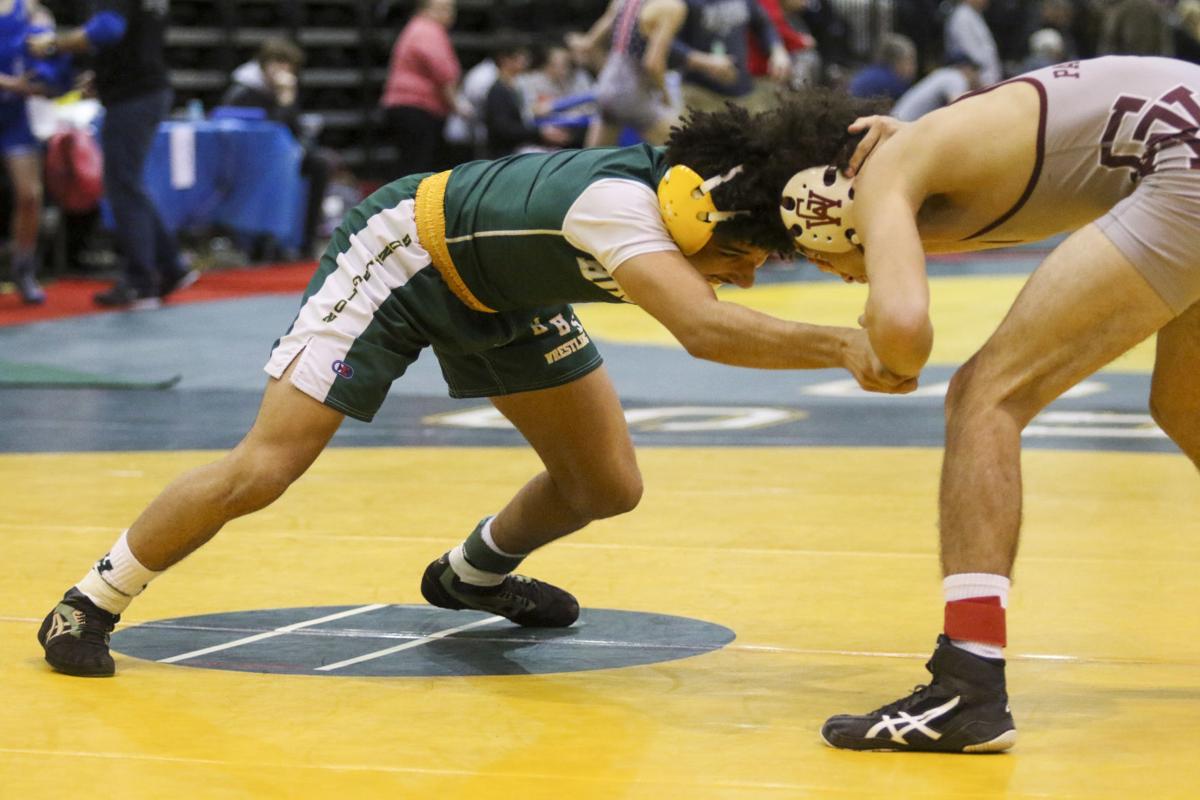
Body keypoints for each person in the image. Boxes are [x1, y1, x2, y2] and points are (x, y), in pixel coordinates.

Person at [36, 101, 914, 678]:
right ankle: (88, 604)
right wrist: (842, 345)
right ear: (700, 218)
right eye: (739, 259)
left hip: (504, 289)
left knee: (606, 486)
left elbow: (792, 145)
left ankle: (469, 578)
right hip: (404, 258)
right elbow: (703, 330)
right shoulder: (619, 210)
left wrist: (880, 142)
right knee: (266, 466)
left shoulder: (716, 179)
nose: (747, 281)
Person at [772, 55, 1200, 752]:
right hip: (1181, 150)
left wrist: (866, 345)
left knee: (985, 395)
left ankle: (968, 685)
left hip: (1184, 164)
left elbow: (905, 334)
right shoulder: (926, 155)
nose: (829, 270)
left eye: (808, 250)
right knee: (1188, 405)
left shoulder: (882, 171)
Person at [28, 0, 194, 309]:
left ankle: (141, 281)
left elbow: (108, 30)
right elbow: (134, 38)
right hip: (144, 89)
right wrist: (105, 74)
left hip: (133, 96)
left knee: (122, 186)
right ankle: (170, 265)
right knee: (128, 183)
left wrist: (52, 45)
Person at [222, 37, 335, 256]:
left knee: (320, 164)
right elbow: (270, 133)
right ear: (264, 65)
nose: (282, 71)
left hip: (283, 157)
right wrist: (284, 103)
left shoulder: (286, 91)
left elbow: (293, 132)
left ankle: (306, 242)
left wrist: (287, 101)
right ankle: (264, 242)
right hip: (252, 160)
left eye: (287, 66)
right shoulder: (244, 92)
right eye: (277, 64)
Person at [0, 0, 70, 304]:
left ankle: (23, 266)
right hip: (14, 95)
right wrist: (13, 84)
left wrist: (48, 77)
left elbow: (49, 49)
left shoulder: (27, 8)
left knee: (30, 195)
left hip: (15, 115)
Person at [571, 0, 696, 147]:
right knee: (686, 147)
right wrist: (665, 96)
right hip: (633, 93)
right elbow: (653, 64)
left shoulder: (622, 2)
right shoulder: (670, 7)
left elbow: (587, 45)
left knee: (594, 161)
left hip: (606, 89)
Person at [379, 0, 461, 174]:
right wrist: (458, 105)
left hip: (408, 106)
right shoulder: (427, 30)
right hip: (416, 107)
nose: (450, 15)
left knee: (412, 162)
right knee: (418, 167)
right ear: (426, 10)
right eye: (445, 9)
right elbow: (443, 70)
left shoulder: (416, 28)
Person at [482, 43, 571, 158]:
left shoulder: (516, 87)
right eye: (520, 57)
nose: (525, 60)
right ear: (505, 60)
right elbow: (504, 129)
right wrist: (539, 133)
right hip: (505, 155)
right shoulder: (498, 91)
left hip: (522, 147)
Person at [889, 51, 982, 121]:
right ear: (965, 67)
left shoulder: (942, 75)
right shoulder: (955, 77)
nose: (977, 75)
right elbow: (958, 108)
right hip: (901, 129)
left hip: (897, 125)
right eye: (974, 69)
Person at [944, 0, 1002, 85]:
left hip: (991, 78)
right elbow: (971, 55)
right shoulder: (961, 18)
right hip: (977, 81)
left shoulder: (974, 14)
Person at [847, 33, 917, 101]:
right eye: (910, 62)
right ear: (897, 61)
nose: (914, 68)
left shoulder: (868, 73)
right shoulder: (892, 84)